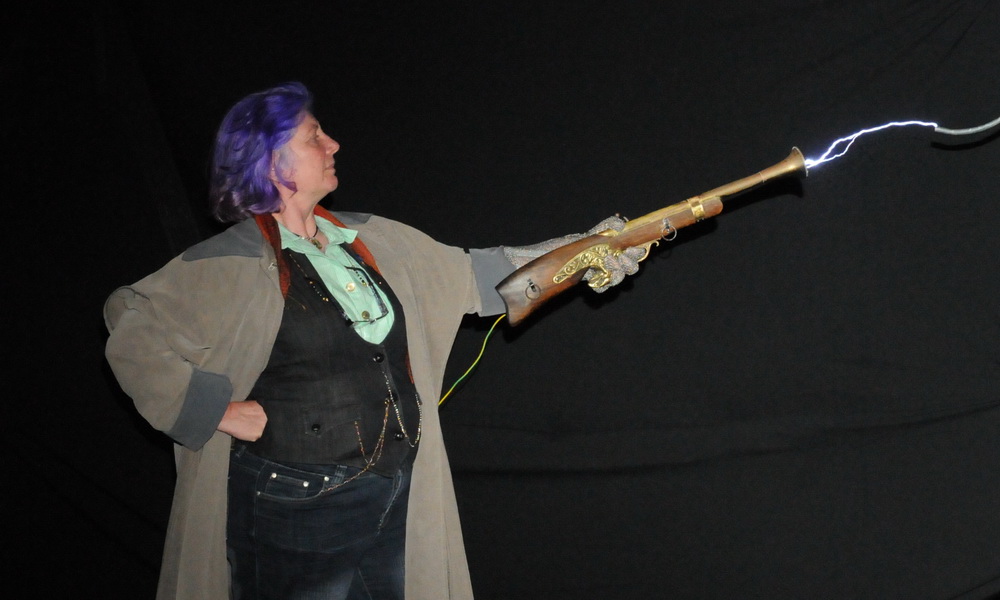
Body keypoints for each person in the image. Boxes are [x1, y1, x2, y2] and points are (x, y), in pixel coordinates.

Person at [104, 81, 639, 600]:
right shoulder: (230, 261)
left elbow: (484, 275)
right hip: (294, 507)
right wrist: (214, 410)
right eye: (314, 136)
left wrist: (587, 249)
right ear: (270, 162)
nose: (333, 144)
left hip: (392, 490)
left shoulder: (373, 238)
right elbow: (131, 317)